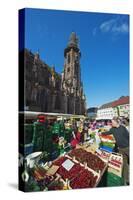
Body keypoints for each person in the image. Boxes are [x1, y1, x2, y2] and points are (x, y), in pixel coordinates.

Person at [101, 117, 129, 185]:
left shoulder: (123, 128)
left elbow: (128, 136)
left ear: (116, 122)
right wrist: (101, 133)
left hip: (128, 148)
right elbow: (107, 133)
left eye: (112, 122)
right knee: (124, 164)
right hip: (120, 149)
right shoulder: (112, 129)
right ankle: (125, 179)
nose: (111, 123)